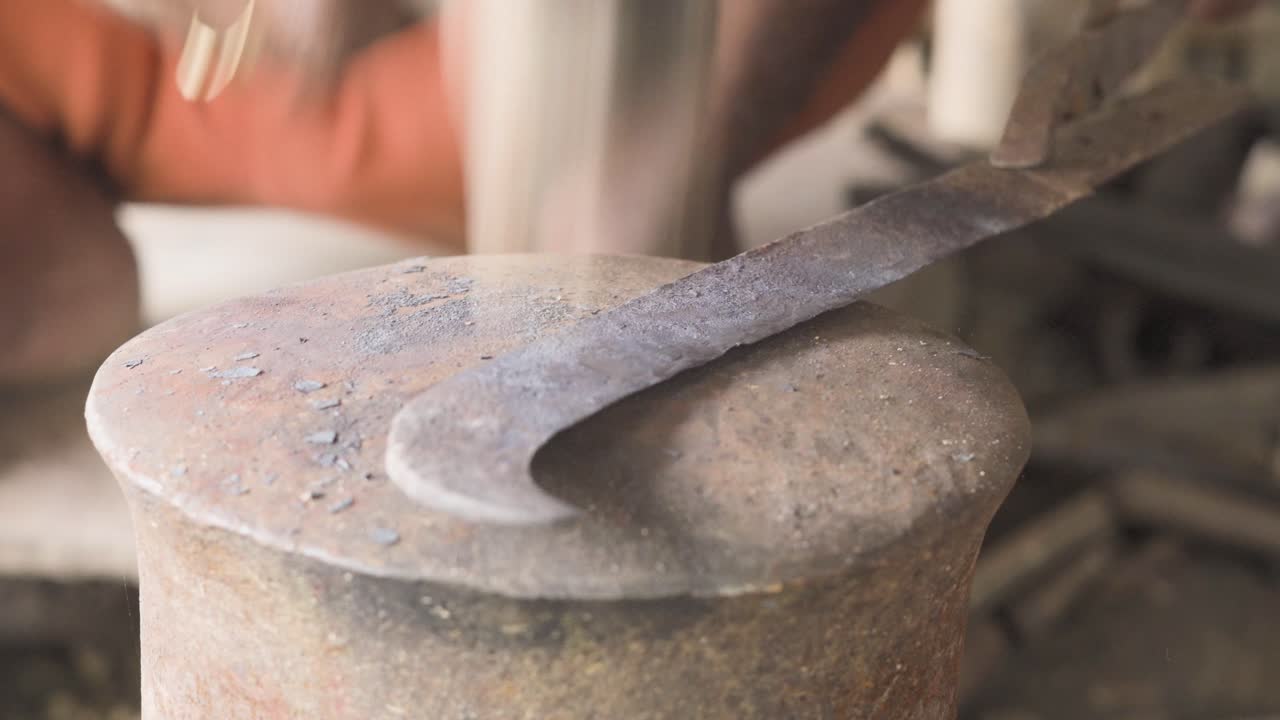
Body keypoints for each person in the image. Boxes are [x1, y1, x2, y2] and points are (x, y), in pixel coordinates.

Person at [0, 0, 1259, 384]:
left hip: (675, 62)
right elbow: (74, 294)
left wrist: (686, 145)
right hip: (427, 170)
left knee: (619, 249)